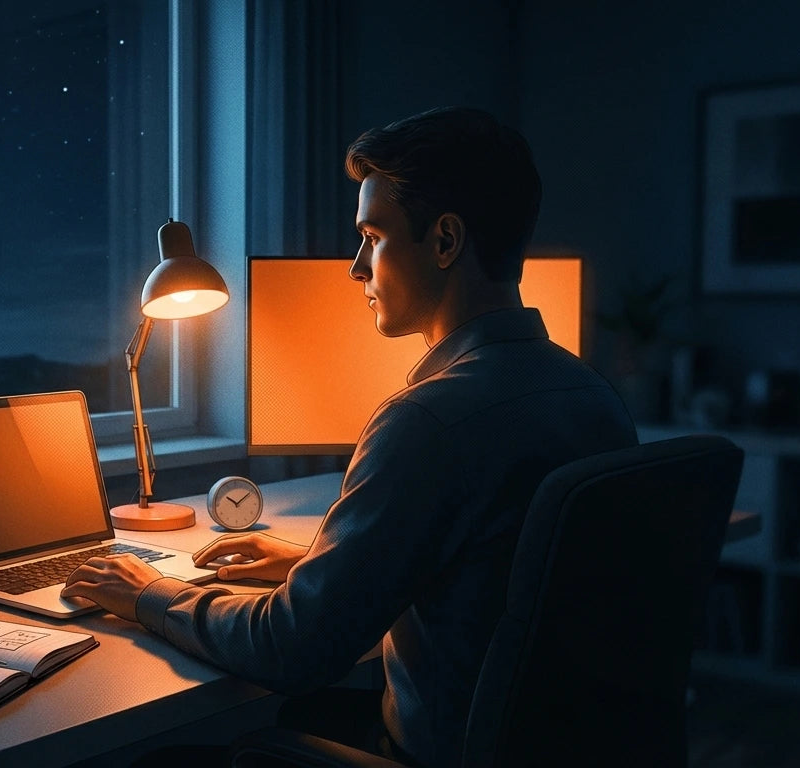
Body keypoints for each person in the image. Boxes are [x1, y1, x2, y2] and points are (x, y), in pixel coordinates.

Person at [62, 107, 638, 767]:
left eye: (372, 236)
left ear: (445, 241)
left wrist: (145, 594)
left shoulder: (429, 421)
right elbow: (496, 568)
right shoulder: (592, 397)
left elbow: (291, 649)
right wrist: (313, 563)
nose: (355, 267)